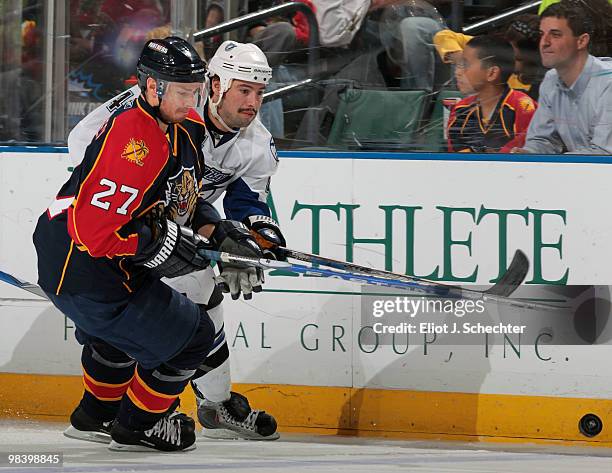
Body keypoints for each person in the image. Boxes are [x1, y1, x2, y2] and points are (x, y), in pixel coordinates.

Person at [33, 36, 264, 452]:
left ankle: (92, 418)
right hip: (80, 267)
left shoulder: (187, 128)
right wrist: (156, 244)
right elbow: (94, 233)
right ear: (153, 87)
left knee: (118, 340)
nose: (192, 101)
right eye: (182, 92)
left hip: (92, 262)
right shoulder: (132, 143)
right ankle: (137, 426)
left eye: (195, 91)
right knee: (192, 339)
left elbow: (184, 201)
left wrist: (222, 231)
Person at [512, 2, 612, 154]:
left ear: (581, 41)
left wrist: (559, 162)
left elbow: (603, 154)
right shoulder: (551, 79)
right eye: (541, 34)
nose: (544, 43)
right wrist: (528, 154)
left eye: (555, 34)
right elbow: (543, 140)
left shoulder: (608, 82)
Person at [447, 36, 538, 153]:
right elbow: (453, 159)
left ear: (492, 73)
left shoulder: (523, 107)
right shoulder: (460, 110)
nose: (458, 72)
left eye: (466, 65)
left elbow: (522, 154)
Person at [434, 15, 546, 100]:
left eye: (517, 58)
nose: (509, 60)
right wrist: (464, 60)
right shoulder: (490, 48)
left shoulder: (540, 85)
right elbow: (443, 36)